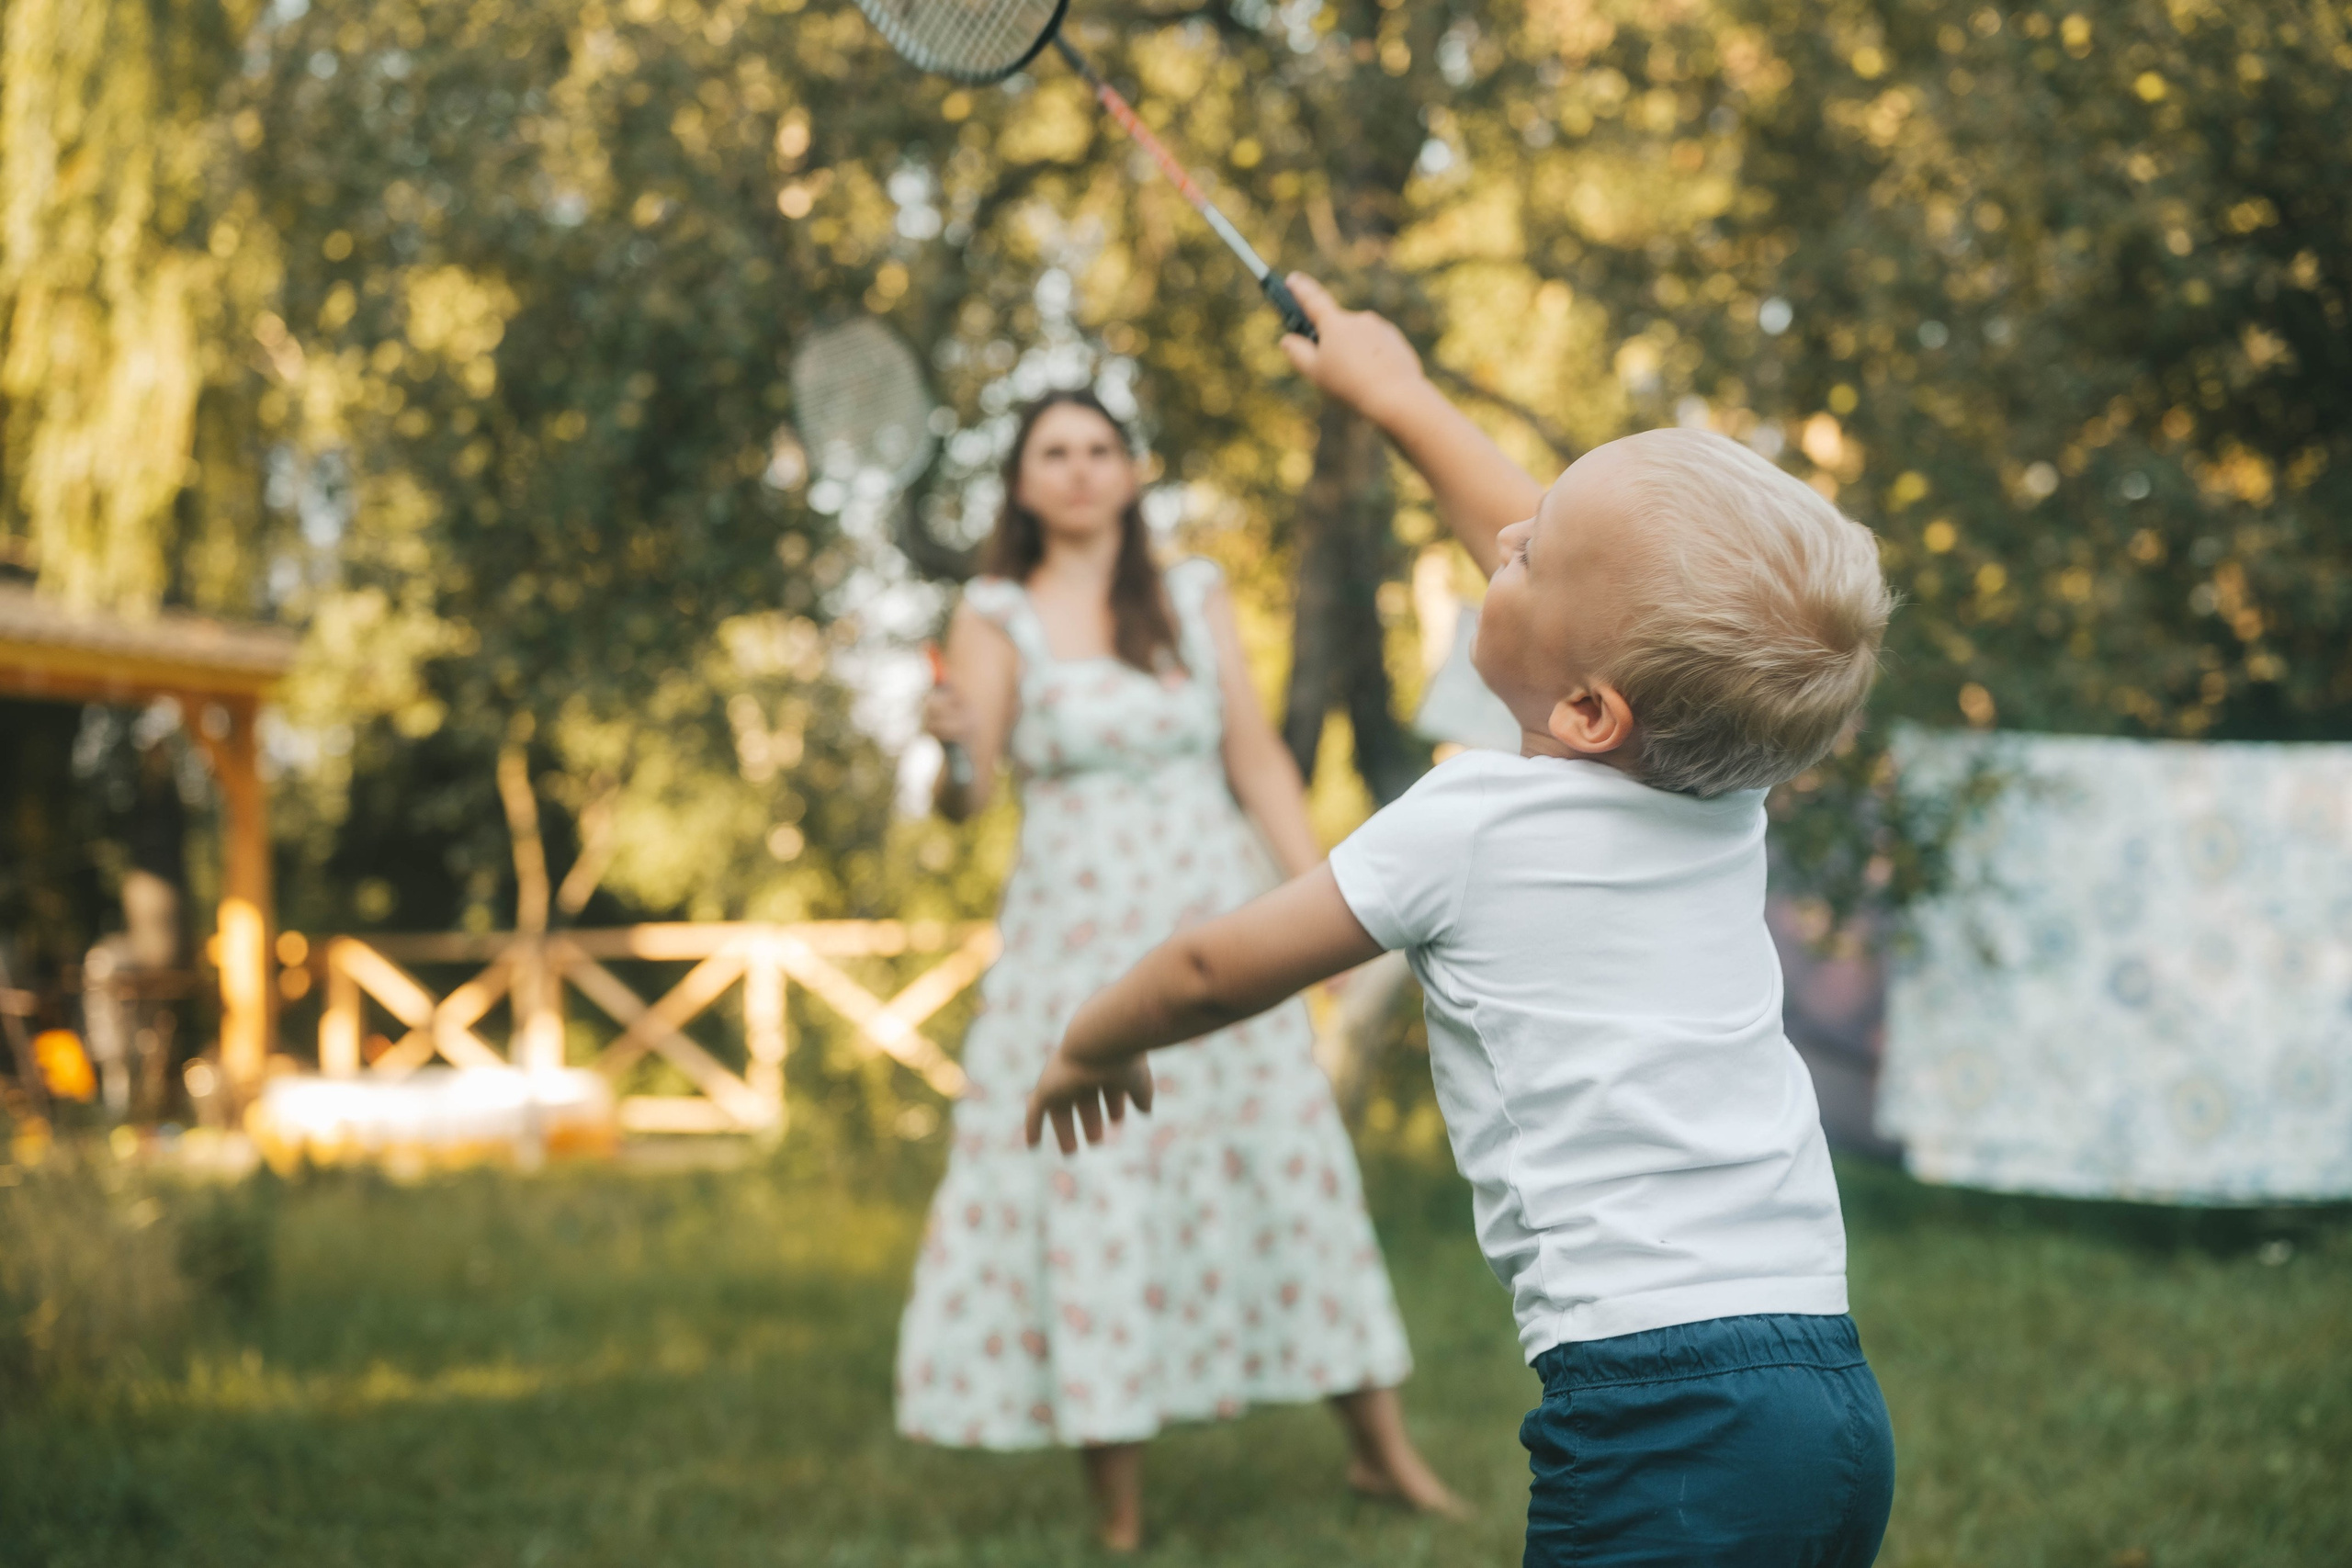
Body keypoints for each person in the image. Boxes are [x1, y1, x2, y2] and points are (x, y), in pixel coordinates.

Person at [1024, 276, 1901, 1567]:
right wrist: (1396, 393)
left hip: (1657, 1414)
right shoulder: (1725, 790)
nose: (1504, 539)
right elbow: (1600, 593)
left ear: (1595, 709)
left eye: (1529, 553)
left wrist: (1094, 1038)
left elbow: (1214, 964)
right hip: (1826, 1395)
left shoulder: (1474, 821)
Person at [895, 387, 1460, 1551]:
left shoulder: (1190, 594)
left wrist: (1328, 924)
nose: (1080, 469)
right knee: (1097, 1179)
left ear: (1132, 470)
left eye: (1101, 448)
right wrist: (948, 750)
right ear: (1021, 481)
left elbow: (1255, 763)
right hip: (1077, 938)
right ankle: (1117, 1510)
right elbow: (969, 800)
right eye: (1053, 452)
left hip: (1214, 914)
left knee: (1287, 1162)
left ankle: (1380, 1452)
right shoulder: (996, 610)